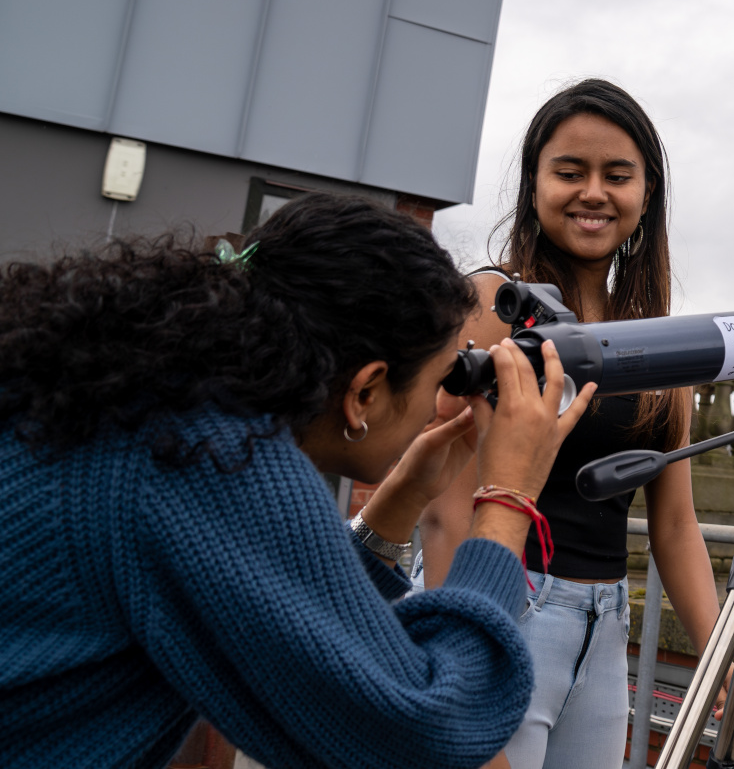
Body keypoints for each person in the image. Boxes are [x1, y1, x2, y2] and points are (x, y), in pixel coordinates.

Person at [0, 193, 594, 769]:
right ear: (364, 391)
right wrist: (509, 495)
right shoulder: (210, 460)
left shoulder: (161, 409)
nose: (444, 401)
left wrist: (401, 499)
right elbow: (429, 734)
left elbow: (284, 615)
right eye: (444, 374)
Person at [422, 79, 734, 768]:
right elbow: (443, 505)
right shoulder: (495, 306)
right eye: (569, 172)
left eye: (617, 175)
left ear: (646, 197)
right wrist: (452, 660)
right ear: (534, 186)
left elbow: (674, 523)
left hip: (606, 624)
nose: (593, 193)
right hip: (503, 604)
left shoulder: (662, 339)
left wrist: (721, 654)